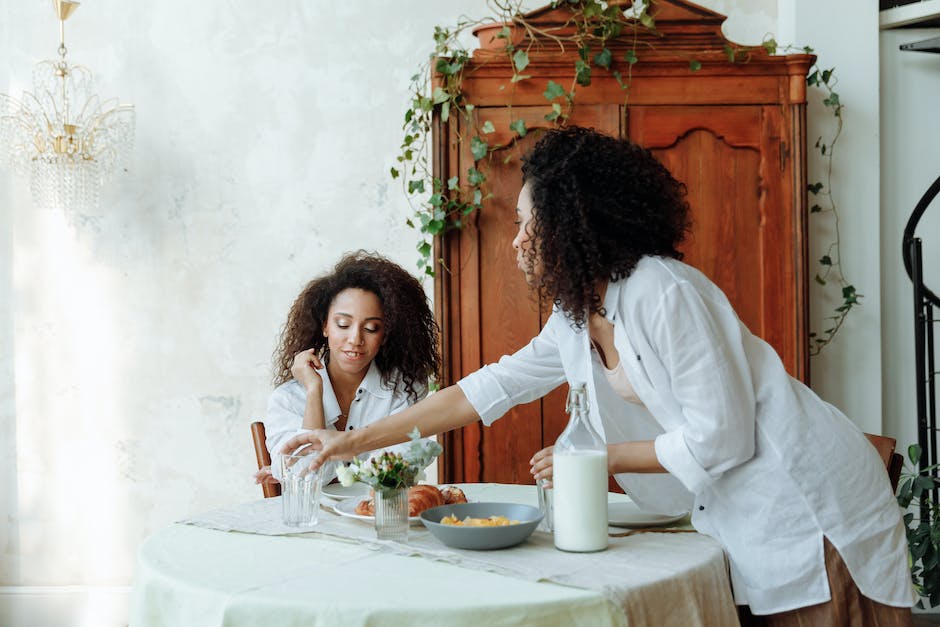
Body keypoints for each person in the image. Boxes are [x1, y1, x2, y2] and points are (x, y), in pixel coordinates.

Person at [282, 128, 916, 624]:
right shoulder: (578, 312)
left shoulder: (659, 291)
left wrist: (593, 457)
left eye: (531, 223)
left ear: (575, 224)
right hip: (739, 514)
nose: (518, 240)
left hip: (806, 502)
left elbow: (724, 438)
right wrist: (351, 441)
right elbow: (488, 389)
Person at [256, 250, 440, 486]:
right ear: (324, 326)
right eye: (343, 324)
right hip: (316, 521)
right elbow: (306, 480)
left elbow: (396, 473)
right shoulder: (289, 398)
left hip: (379, 518)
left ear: (385, 335)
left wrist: (333, 465)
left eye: (372, 328)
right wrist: (314, 391)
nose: (355, 339)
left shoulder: (404, 391)